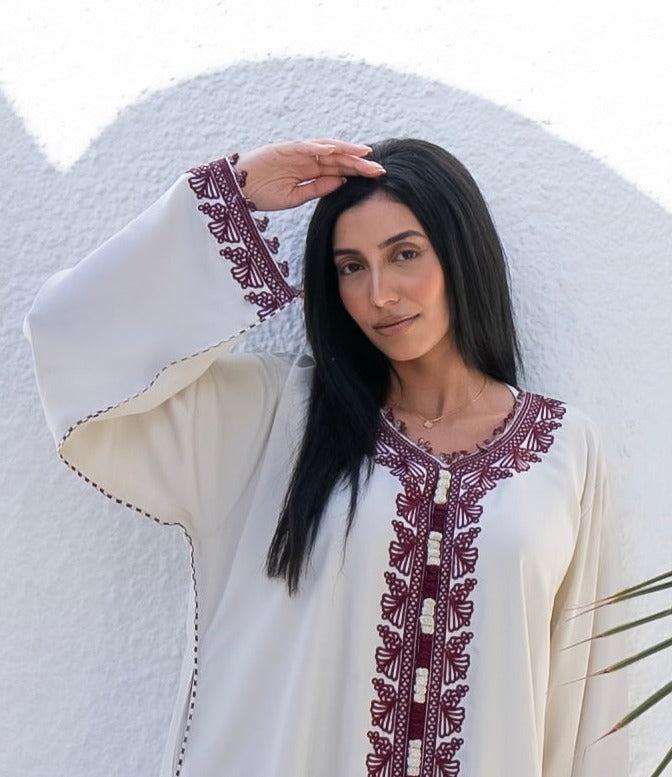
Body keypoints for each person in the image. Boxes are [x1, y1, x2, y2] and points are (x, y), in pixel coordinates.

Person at [23, 137, 630, 776]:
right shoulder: (274, 421)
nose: (380, 294)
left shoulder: (565, 451)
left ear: (460, 252)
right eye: (351, 267)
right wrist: (233, 196)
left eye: (404, 254)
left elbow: (586, 707)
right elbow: (71, 345)